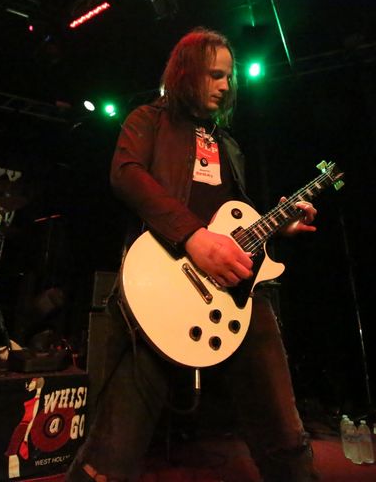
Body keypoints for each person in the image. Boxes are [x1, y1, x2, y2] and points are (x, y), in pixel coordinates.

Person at [66, 28, 320, 481]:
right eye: (215, 75)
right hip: (163, 283)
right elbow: (126, 174)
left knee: (285, 434)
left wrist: (277, 226)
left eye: (229, 77)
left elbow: (234, 219)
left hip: (239, 294)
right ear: (185, 73)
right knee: (113, 447)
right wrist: (193, 237)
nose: (226, 85)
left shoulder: (229, 144)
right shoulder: (149, 119)